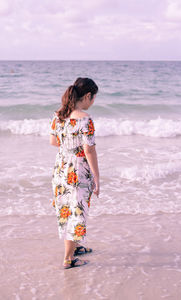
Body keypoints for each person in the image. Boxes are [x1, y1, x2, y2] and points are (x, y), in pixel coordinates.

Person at [50, 77, 100, 269]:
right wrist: (97, 176)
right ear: (87, 96)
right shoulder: (86, 119)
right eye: (93, 98)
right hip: (79, 169)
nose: (93, 102)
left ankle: (76, 247)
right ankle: (68, 259)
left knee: (66, 209)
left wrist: (69, 146)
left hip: (61, 168)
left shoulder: (58, 115)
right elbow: (89, 150)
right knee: (76, 212)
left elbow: (53, 142)